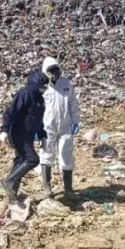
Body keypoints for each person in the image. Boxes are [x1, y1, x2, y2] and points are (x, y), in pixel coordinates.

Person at [0, 70, 49, 206]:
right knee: (32, 159)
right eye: (42, 85)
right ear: (35, 83)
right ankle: (9, 181)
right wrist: (4, 130)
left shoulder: (39, 99)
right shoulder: (25, 94)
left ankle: (12, 196)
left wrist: (42, 135)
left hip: (29, 136)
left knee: (20, 162)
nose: (44, 88)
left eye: (45, 86)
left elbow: (38, 120)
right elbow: (10, 112)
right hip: (18, 134)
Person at [38, 57, 81, 198]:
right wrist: (36, 127)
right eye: (52, 70)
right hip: (47, 127)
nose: (55, 72)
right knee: (46, 155)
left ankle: (68, 189)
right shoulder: (42, 87)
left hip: (65, 126)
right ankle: (47, 188)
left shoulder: (66, 84)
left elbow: (73, 104)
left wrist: (76, 121)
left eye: (56, 69)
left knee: (66, 155)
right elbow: (37, 108)